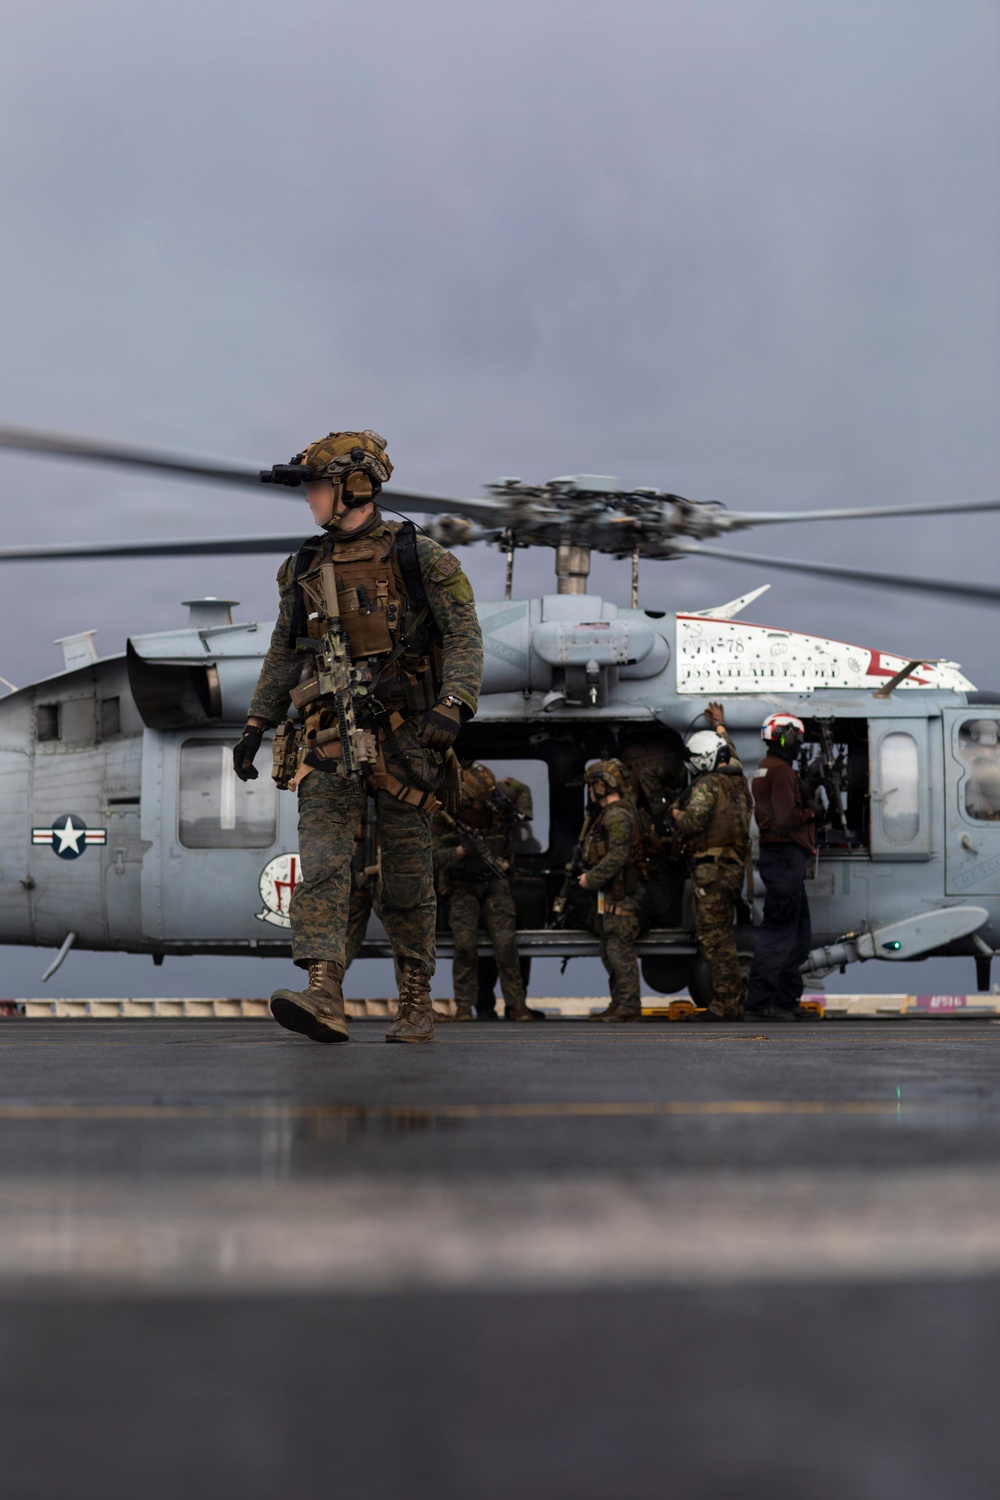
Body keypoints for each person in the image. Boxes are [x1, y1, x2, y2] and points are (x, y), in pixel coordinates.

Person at [233, 429, 483, 1045]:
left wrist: (455, 704)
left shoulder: (420, 557)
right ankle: (324, 990)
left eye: (318, 487)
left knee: (406, 875)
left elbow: (464, 635)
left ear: (355, 488)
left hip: (405, 740)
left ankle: (416, 1001)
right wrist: (255, 725)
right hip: (327, 734)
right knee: (322, 863)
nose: (311, 499)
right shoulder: (302, 568)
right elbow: (283, 654)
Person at [433, 761, 537, 1021]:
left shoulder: (497, 799)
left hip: (495, 882)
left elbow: (521, 791)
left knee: (506, 945)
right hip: (462, 884)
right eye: (480, 801)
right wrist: (459, 852)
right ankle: (464, 1007)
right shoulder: (446, 812)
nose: (486, 805)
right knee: (465, 947)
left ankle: (516, 1005)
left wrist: (514, 802)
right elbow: (432, 857)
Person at [671, 704, 753, 1022]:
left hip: (712, 873)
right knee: (723, 937)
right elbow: (727, 751)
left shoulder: (706, 786)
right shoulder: (737, 781)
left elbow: (693, 823)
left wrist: (676, 814)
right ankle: (729, 1001)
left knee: (716, 941)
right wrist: (719, 725)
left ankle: (726, 1005)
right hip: (731, 871)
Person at [744, 712, 817, 1022]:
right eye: (796, 738)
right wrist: (811, 812)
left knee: (798, 937)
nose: (799, 745)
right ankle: (760, 1005)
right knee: (779, 935)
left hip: (782, 859)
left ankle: (786, 1001)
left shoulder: (765, 769)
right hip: (785, 858)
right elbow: (787, 819)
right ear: (785, 737)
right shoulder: (782, 772)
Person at [579, 759, 646, 1024]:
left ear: (601, 786)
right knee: (610, 950)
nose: (590, 792)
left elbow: (619, 854)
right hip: (612, 893)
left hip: (622, 894)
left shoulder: (617, 814)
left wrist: (591, 879)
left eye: (592, 786)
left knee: (619, 949)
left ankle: (628, 1005)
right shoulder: (610, 814)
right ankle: (619, 1003)